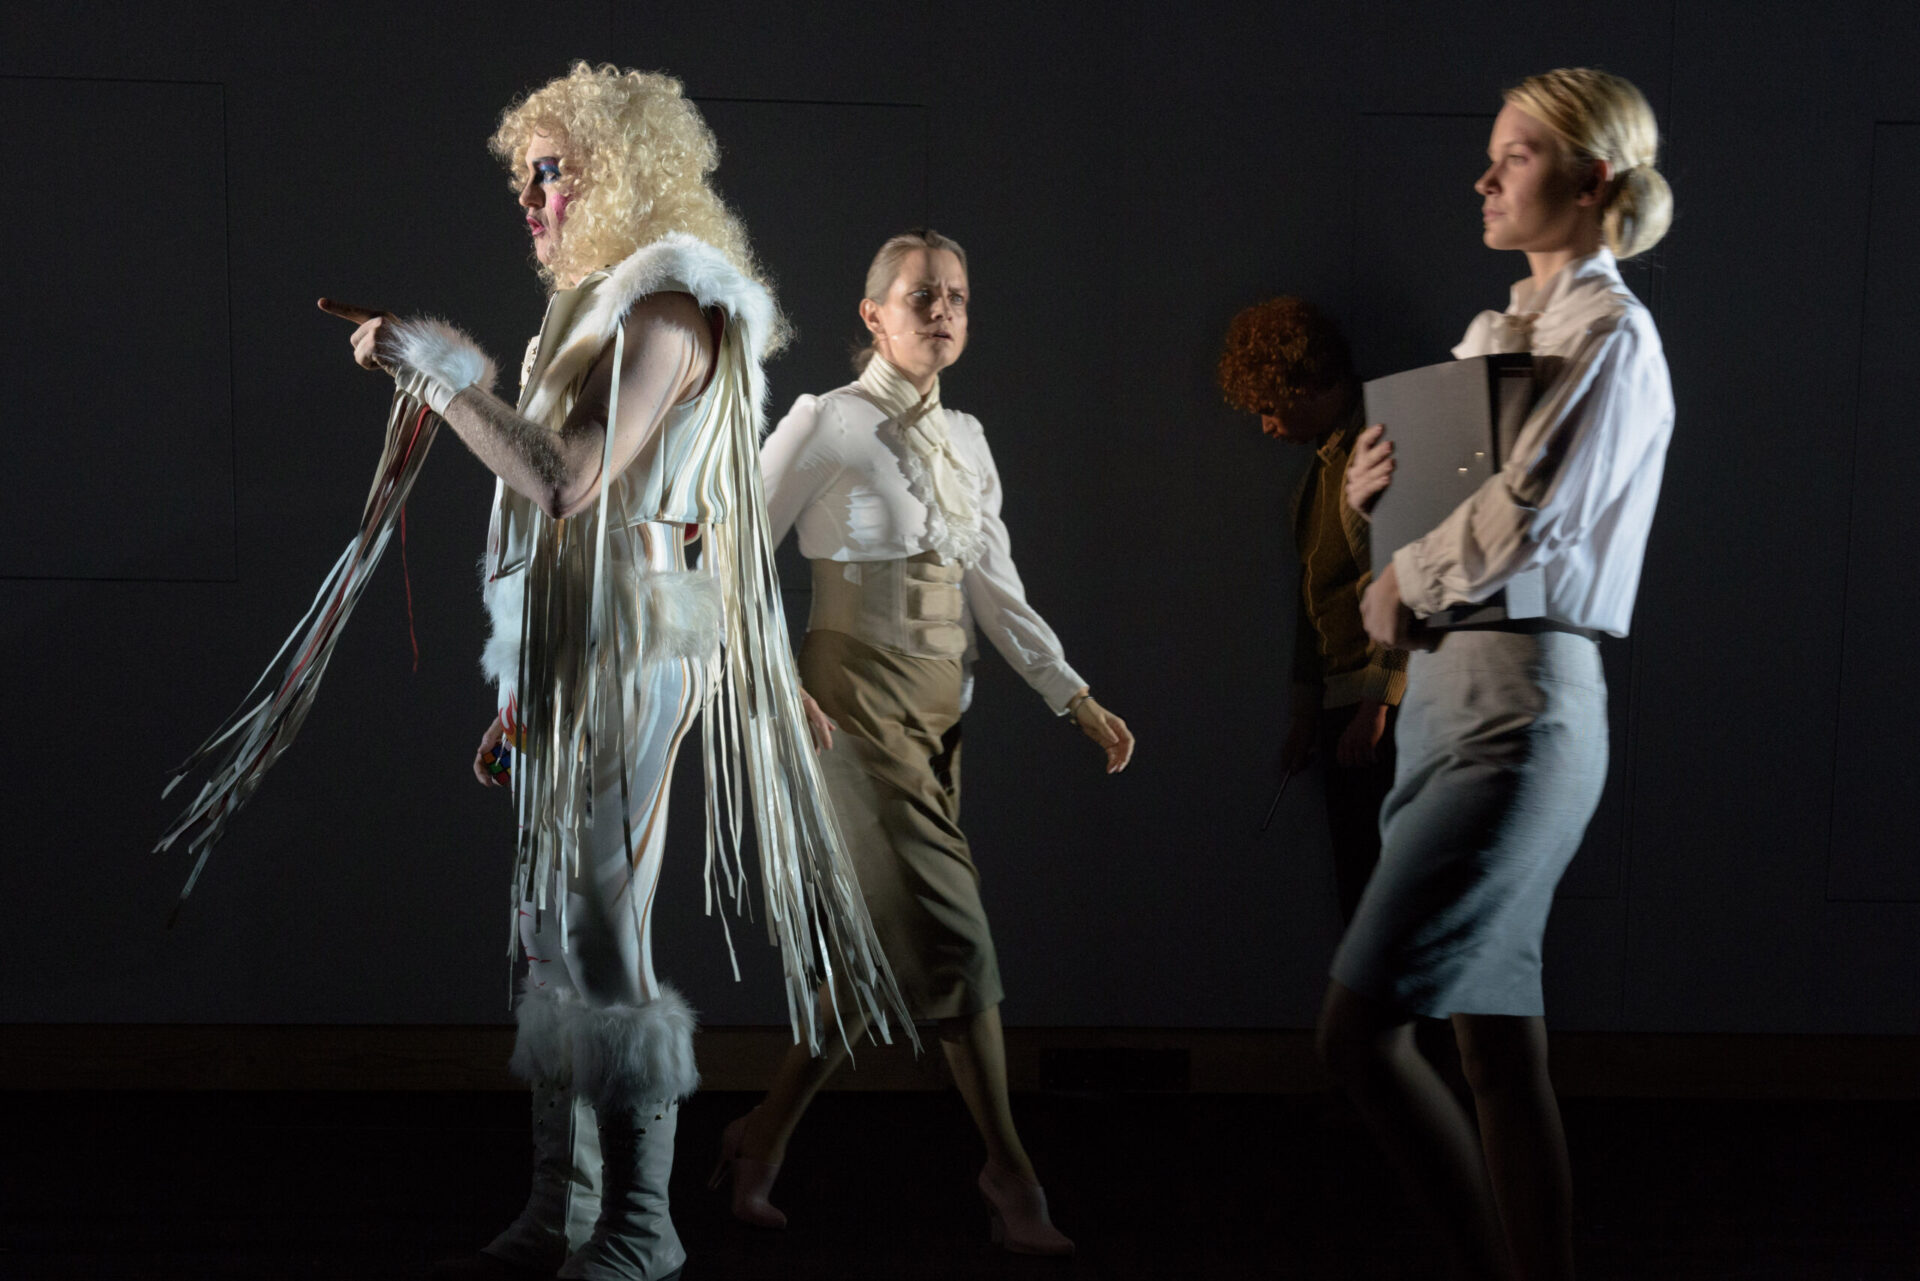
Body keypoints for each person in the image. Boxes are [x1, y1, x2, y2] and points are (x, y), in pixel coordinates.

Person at [321, 63, 908, 1281]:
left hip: (635, 653)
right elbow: (588, 524)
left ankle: (643, 1221)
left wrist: (435, 373)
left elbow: (570, 481)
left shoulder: (669, 308)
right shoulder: (600, 312)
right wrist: (521, 693)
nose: (531, 197)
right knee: (549, 938)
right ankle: (566, 1204)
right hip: (577, 656)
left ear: (622, 171)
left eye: (553, 172)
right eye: (525, 176)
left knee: (597, 934)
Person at [710, 229, 1136, 1256]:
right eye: (920, 296)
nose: (943, 311)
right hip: (851, 710)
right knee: (954, 939)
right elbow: (727, 551)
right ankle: (1011, 1175)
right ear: (873, 316)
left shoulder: (969, 438)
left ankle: (760, 1135)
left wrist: (1070, 693)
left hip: (941, 718)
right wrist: (770, 683)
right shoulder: (827, 420)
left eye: (957, 297)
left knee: (873, 956)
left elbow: (995, 586)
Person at [1319, 68, 1674, 1280]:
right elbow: (1452, 508)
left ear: (1591, 179)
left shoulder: (1611, 334)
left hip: (1520, 708)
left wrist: (1397, 580)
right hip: (1447, 698)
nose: (1483, 177)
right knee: (1497, 1058)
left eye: (1514, 155)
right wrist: (1370, 496)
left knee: (1357, 1037)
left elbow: (1526, 516)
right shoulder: (1494, 336)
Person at [1217, 297, 1406, 921]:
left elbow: (1405, 583)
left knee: (1382, 896)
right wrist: (1307, 714)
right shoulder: (1318, 471)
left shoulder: (1370, 449)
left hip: (1377, 718)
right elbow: (1312, 602)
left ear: (1304, 386)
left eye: (1270, 407)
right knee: (1359, 889)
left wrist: (1376, 706)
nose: (1266, 427)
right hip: (1344, 711)